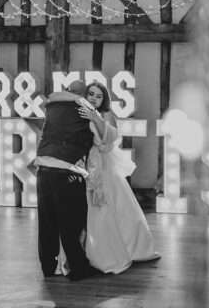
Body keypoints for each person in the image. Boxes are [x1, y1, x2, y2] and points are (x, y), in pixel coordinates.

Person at [52, 81, 160, 274]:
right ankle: (81, 253)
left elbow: (109, 139)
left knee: (113, 207)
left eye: (98, 95)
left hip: (104, 168)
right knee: (82, 213)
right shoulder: (78, 112)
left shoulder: (107, 115)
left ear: (104, 99)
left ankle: (125, 249)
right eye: (91, 94)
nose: (94, 98)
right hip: (85, 166)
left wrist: (96, 119)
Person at [34, 80, 97, 281]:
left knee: (46, 223)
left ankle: (48, 267)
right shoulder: (84, 107)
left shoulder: (51, 106)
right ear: (83, 94)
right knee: (71, 223)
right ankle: (78, 269)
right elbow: (100, 137)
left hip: (43, 167)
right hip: (67, 170)